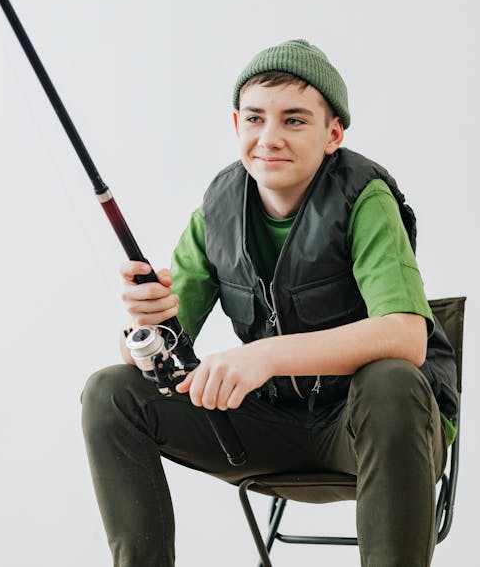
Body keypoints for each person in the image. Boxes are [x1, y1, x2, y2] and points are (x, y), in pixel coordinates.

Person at [81, 39, 458, 567]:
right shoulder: (215, 212)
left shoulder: (365, 198)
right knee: (110, 392)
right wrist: (142, 330)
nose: (270, 138)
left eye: (294, 120)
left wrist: (266, 356)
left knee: (391, 379)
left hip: (371, 428)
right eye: (255, 118)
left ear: (333, 134)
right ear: (237, 124)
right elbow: (160, 356)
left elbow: (406, 336)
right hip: (267, 427)